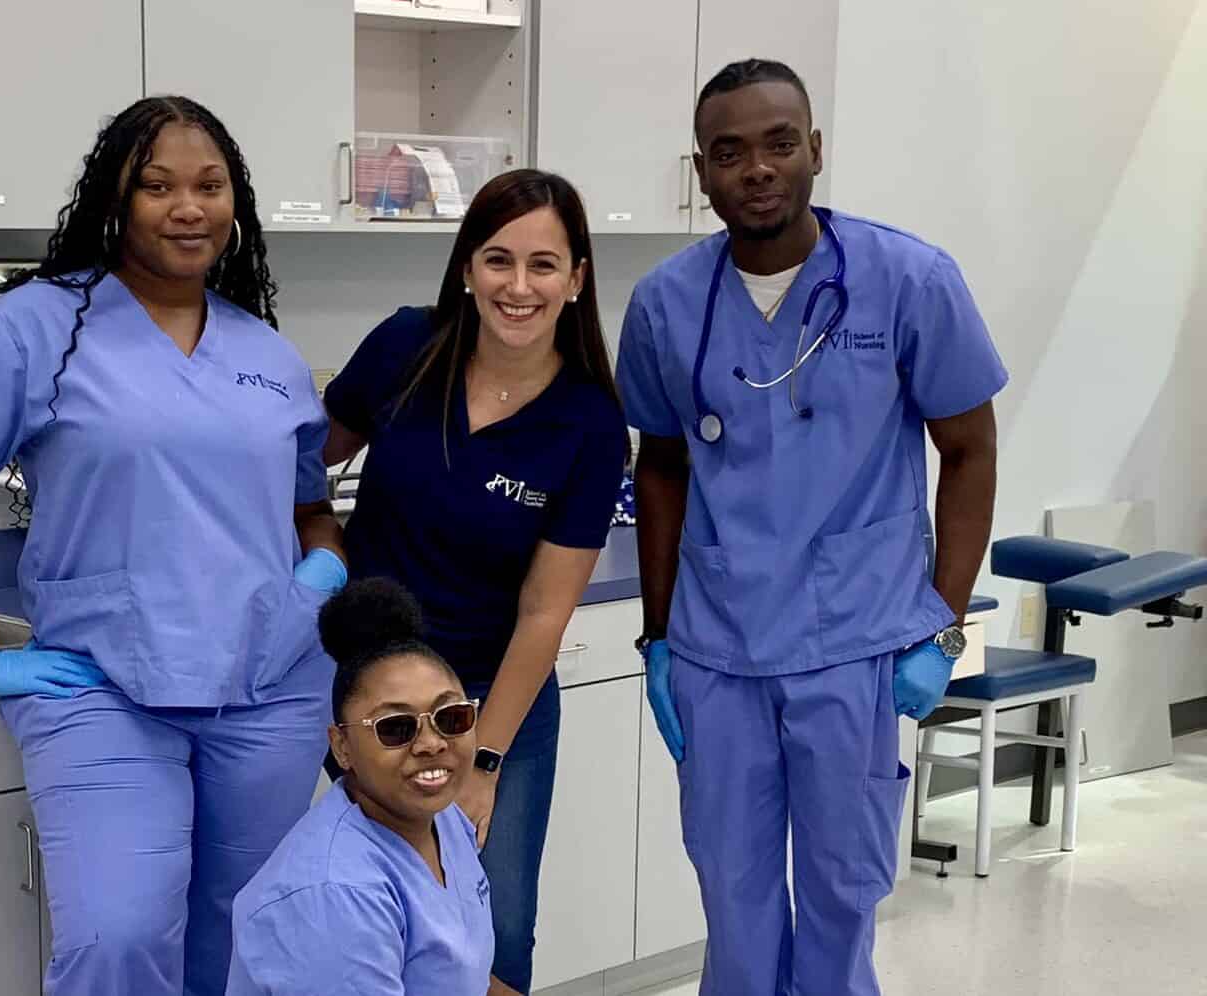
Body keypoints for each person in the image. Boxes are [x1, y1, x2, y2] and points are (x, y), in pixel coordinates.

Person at [0, 96, 347, 996]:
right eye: (158, 186)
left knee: (251, 936)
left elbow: (309, 507)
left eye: (209, 186)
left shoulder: (266, 353)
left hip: (269, 687)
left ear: (235, 204)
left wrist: (322, 568)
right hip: (104, 688)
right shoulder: (35, 325)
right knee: (117, 935)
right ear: (115, 199)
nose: (189, 207)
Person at [615, 59, 1005, 996]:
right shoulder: (665, 303)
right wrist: (662, 638)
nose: (756, 167)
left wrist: (941, 627)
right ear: (700, 170)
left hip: (855, 646)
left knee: (841, 894)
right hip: (718, 648)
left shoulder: (909, 278)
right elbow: (660, 464)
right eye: (729, 150)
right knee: (733, 895)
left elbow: (971, 452)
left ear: (815, 151)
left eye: (779, 142)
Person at [320, 169, 628, 993]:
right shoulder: (404, 348)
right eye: (498, 260)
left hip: (492, 701)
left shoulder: (591, 422)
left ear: (577, 280)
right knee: (366, 909)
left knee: (495, 923)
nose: (518, 286)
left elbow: (544, 611)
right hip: (368, 698)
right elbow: (295, 469)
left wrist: (482, 761)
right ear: (465, 268)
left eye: (543, 265)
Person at [226, 578, 495, 995]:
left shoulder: (445, 822)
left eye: (450, 717)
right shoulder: (334, 896)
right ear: (342, 747)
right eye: (396, 728)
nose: (431, 743)